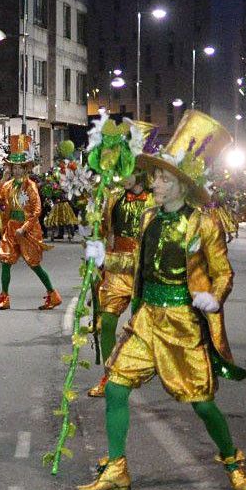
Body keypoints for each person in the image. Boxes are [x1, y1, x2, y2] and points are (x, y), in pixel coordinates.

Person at [78, 111, 246, 490]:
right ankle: (117, 468)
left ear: (182, 184)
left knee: (202, 404)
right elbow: (136, 264)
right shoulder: (148, 218)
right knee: (115, 387)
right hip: (146, 319)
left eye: (163, 178)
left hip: (182, 324)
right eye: (155, 176)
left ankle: (232, 459)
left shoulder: (203, 224)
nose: (155, 182)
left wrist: (213, 297)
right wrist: (103, 258)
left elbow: (223, 272)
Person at [87, 169, 156, 397]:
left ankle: (141, 369)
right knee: (107, 322)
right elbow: (104, 229)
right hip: (117, 267)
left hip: (144, 270)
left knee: (140, 327)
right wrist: (96, 253)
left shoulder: (155, 200)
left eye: (128, 171)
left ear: (139, 173)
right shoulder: (114, 198)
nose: (122, 176)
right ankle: (109, 377)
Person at [0, 135, 61, 310]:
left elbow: (37, 210)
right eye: (14, 167)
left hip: (27, 230)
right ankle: (4, 297)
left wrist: (25, 227)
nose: (16, 171)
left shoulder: (31, 186)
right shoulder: (7, 185)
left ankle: (53, 295)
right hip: (11, 227)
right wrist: (3, 178)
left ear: (26, 168)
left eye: (20, 168)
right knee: (5, 261)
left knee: (34, 264)